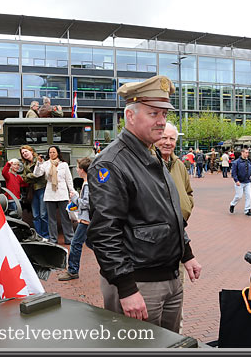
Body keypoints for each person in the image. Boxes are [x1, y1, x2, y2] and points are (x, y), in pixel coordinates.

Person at [87, 75, 201, 333]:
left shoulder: (151, 154)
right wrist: (127, 289)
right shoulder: (111, 163)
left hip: (168, 277)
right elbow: (105, 233)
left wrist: (187, 254)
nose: (161, 121)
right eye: (153, 113)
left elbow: (166, 212)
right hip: (139, 283)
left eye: (163, 114)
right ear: (130, 116)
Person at [154, 121, 195, 333]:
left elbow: (188, 193)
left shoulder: (178, 164)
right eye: (164, 137)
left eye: (172, 139)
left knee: (176, 304)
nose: (168, 142)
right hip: (154, 246)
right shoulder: (149, 162)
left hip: (178, 239)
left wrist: (184, 211)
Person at [33, 145, 76, 245]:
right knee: (51, 218)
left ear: (58, 153)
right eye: (50, 152)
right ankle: (53, 239)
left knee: (65, 217)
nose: (52, 154)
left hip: (62, 192)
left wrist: (71, 191)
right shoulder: (45, 164)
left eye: (54, 152)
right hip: (50, 193)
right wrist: (38, 163)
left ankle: (69, 238)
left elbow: (68, 179)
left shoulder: (64, 164)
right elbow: (37, 174)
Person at [58, 157, 92, 281]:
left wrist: (75, 198)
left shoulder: (87, 184)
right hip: (88, 219)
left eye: (78, 167)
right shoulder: (89, 182)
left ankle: (72, 271)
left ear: (82, 170)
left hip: (86, 220)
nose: (77, 170)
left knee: (76, 244)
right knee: (92, 244)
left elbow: (85, 204)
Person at [20, 145, 50, 240]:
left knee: (43, 214)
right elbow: (25, 178)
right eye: (23, 153)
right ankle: (38, 235)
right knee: (36, 215)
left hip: (42, 188)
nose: (25, 154)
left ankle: (45, 235)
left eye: (26, 151)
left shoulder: (40, 160)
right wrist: (33, 176)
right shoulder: (25, 165)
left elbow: (41, 175)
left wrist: (30, 176)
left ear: (31, 151)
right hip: (33, 191)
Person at [229, 147, 251, 216]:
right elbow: (234, 173)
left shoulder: (248, 161)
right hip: (240, 182)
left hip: (247, 182)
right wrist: (236, 180)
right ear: (242, 153)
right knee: (239, 196)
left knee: (249, 196)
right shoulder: (236, 162)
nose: (247, 154)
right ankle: (232, 204)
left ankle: (247, 210)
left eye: (248, 153)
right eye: (246, 153)